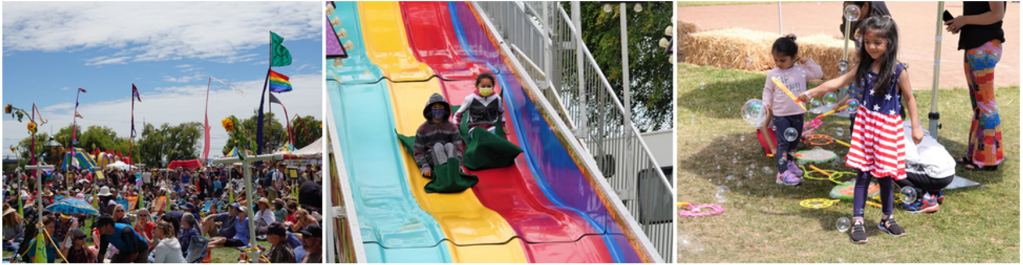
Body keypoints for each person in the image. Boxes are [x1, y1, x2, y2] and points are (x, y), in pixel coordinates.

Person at [800, 16, 921, 244]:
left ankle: (887, 218)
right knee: (863, 174)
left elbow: (909, 98)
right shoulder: (863, 67)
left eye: (877, 42)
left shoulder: (898, 70)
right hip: (865, 126)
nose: (871, 46)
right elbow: (836, 83)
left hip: (887, 128)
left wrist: (915, 126)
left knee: (886, 175)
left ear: (889, 42)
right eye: (867, 41)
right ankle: (858, 221)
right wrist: (809, 94)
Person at [945, 1, 1007, 171]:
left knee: (985, 105)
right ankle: (976, 154)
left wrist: (964, 20)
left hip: (984, 48)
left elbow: (997, 13)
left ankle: (988, 159)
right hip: (975, 48)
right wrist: (960, 23)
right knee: (979, 105)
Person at [762, 35, 822, 186]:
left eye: (783, 60)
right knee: (783, 143)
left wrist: (807, 61)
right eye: (776, 60)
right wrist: (766, 103)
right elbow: (768, 90)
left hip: (797, 112)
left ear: (794, 57)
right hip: (780, 114)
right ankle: (782, 173)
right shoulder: (773, 74)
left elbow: (818, 74)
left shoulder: (801, 71)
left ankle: (789, 163)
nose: (778, 63)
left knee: (794, 141)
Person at [413, 93, 464, 178]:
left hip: (449, 157)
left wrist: (458, 164)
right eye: (434, 108)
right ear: (429, 110)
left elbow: (458, 148)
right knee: (438, 146)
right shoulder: (422, 129)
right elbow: (418, 152)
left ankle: (452, 167)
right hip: (432, 158)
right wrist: (425, 166)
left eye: (441, 107)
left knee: (449, 145)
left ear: (445, 109)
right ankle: (442, 169)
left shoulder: (452, 127)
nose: (438, 110)